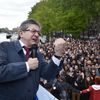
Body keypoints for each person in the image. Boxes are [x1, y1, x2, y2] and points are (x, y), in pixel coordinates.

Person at [0, 19, 66, 100]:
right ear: (21, 33)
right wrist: (26, 66)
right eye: (33, 31)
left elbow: (48, 75)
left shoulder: (37, 54)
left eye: (39, 33)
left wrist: (57, 55)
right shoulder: (4, 47)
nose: (37, 35)